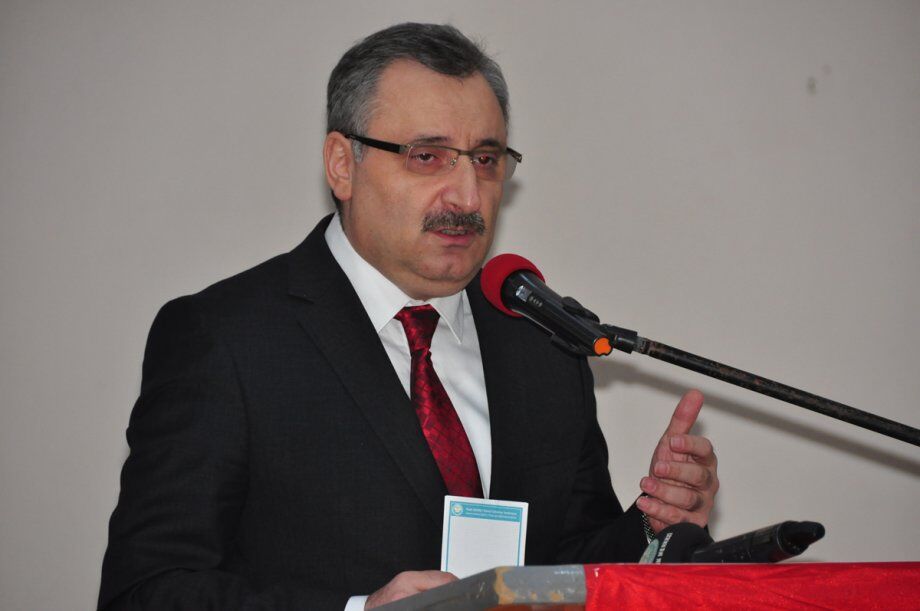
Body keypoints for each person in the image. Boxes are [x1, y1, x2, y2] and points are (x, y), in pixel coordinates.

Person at [98, 23, 719, 611]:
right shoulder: (226, 339)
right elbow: (148, 591)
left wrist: (653, 526)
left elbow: (566, 565)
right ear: (342, 164)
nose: (468, 197)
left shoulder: (540, 344)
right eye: (427, 156)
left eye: (486, 159)